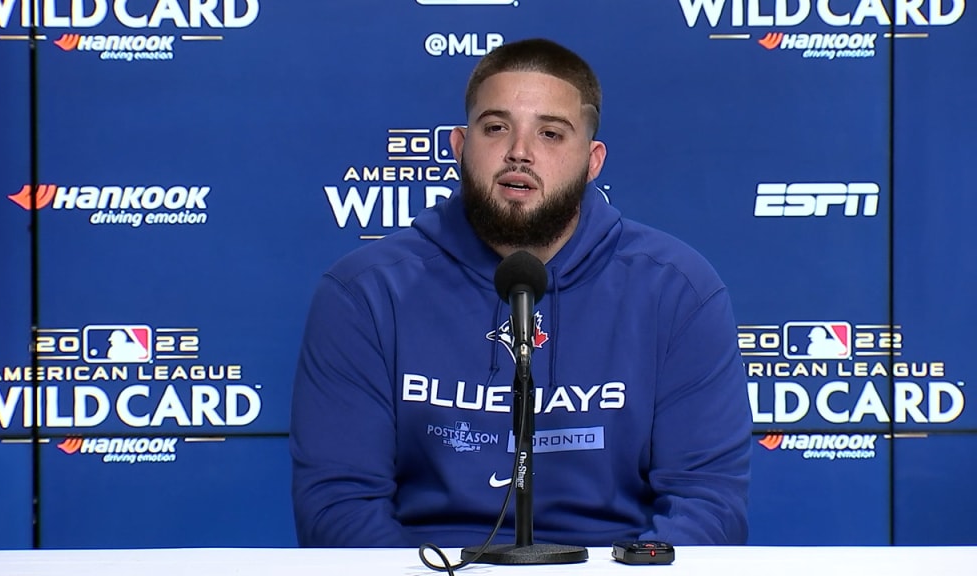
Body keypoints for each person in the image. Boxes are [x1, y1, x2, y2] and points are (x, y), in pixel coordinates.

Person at [290, 38, 751, 548]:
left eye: (551, 134)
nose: (520, 152)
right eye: (496, 128)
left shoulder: (678, 290)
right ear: (460, 147)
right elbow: (339, 504)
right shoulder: (365, 292)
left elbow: (707, 501)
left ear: (592, 160)